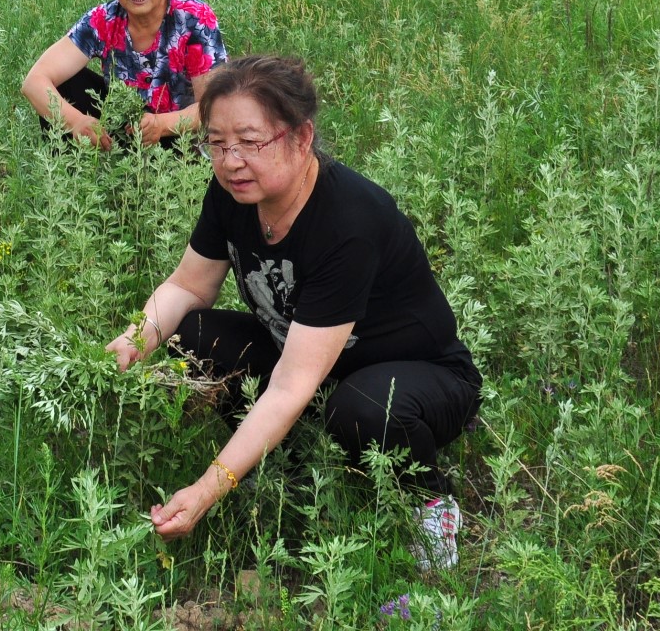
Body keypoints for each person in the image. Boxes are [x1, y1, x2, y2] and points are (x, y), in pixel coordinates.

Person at [108, 55, 481, 568]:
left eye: (251, 142)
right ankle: (288, 461)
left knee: (360, 409)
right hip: (307, 361)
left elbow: (288, 387)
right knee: (188, 333)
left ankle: (431, 504)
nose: (231, 160)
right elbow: (188, 287)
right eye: (216, 143)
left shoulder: (348, 222)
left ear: (302, 138)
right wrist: (132, 340)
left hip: (418, 380)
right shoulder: (231, 194)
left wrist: (206, 489)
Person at [20, 0, 226, 148]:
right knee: (67, 85)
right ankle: (74, 170)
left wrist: (161, 124)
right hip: (122, 124)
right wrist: (75, 121)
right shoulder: (103, 20)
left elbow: (214, 106)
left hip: (177, 134)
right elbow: (34, 82)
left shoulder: (194, 18)